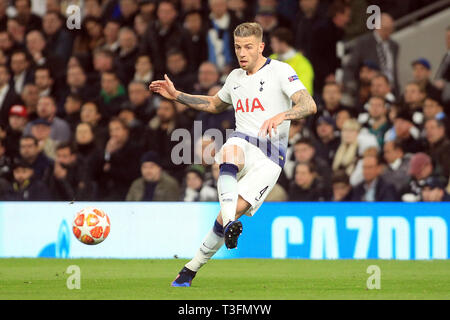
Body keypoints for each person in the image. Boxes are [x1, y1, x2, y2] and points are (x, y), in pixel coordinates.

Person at [150, 22, 316, 287]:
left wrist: (284, 114)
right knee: (230, 151)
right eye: (238, 47)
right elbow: (215, 104)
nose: (242, 53)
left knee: (227, 214)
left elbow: (309, 105)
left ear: (261, 47)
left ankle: (189, 270)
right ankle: (230, 224)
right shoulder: (234, 78)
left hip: (271, 157)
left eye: (248, 47)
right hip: (244, 140)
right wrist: (177, 95)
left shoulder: (281, 71)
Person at [269, 27, 314, 95]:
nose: (271, 45)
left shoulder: (302, 63)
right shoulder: (271, 59)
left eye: (274, 42)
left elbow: (305, 90)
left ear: (283, 43)